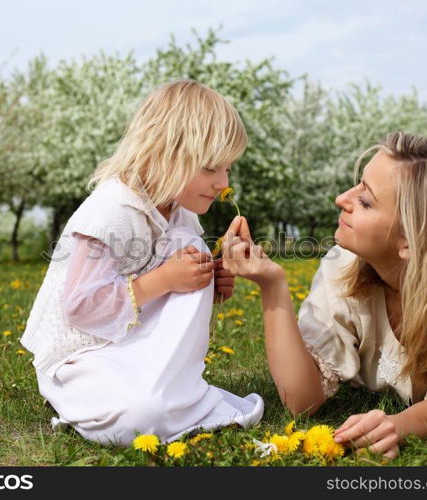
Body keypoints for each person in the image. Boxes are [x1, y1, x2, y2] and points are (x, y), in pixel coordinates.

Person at [220, 132, 427, 459]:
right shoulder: (341, 268)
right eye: (357, 185)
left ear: (410, 241)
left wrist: (398, 425)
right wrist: (272, 285)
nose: (342, 198)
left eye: (366, 201)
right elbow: (302, 401)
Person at [19, 80, 263, 447]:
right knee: (139, 419)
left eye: (228, 169)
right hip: (81, 357)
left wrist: (210, 279)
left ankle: (168, 396)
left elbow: (163, 293)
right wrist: (166, 280)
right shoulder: (112, 210)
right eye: (212, 168)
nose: (223, 183)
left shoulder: (181, 216)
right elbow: (82, 307)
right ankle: (110, 398)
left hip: (127, 346)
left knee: (190, 248)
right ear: (166, 153)